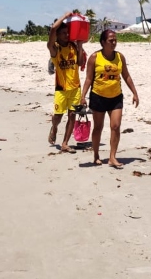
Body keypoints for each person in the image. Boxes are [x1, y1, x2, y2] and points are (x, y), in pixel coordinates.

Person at [80, 29, 140, 169]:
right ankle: (96, 155)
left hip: (116, 97)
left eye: (115, 40)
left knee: (115, 126)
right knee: (98, 127)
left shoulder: (120, 57)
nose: (114, 43)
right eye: (110, 41)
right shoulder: (95, 57)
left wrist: (135, 93)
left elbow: (126, 76)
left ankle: (112, 157)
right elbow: (89, 79)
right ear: (103, 42)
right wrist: (83, 96)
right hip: (98, 96)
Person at [47, 12, 82, 153]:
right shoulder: (54, 48)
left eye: (67, 33)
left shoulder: (73, 46)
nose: (66, 36)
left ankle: (65, 143)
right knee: (58, 117)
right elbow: (52, 29)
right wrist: (66, 15)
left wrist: (80, 47)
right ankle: (54, 127)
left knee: (72, 115)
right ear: (58, 35)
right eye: (63, 33)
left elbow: (79, 63)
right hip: (61, 88)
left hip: (75, 87)